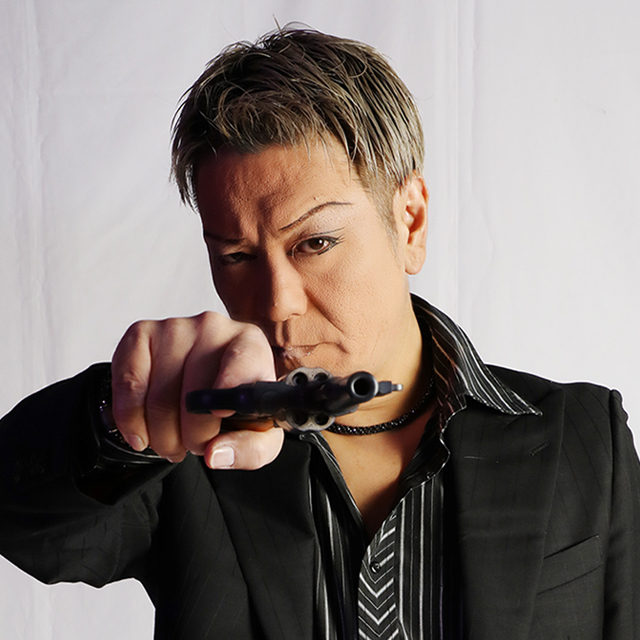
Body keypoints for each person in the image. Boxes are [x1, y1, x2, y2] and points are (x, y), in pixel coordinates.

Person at [0, 27, 638, 640]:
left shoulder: (583, 438)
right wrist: (124, 414)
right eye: (236, 256)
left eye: (316, 243)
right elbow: (23, 521)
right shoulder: (193, 440)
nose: (276, 303)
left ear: (410, 222)